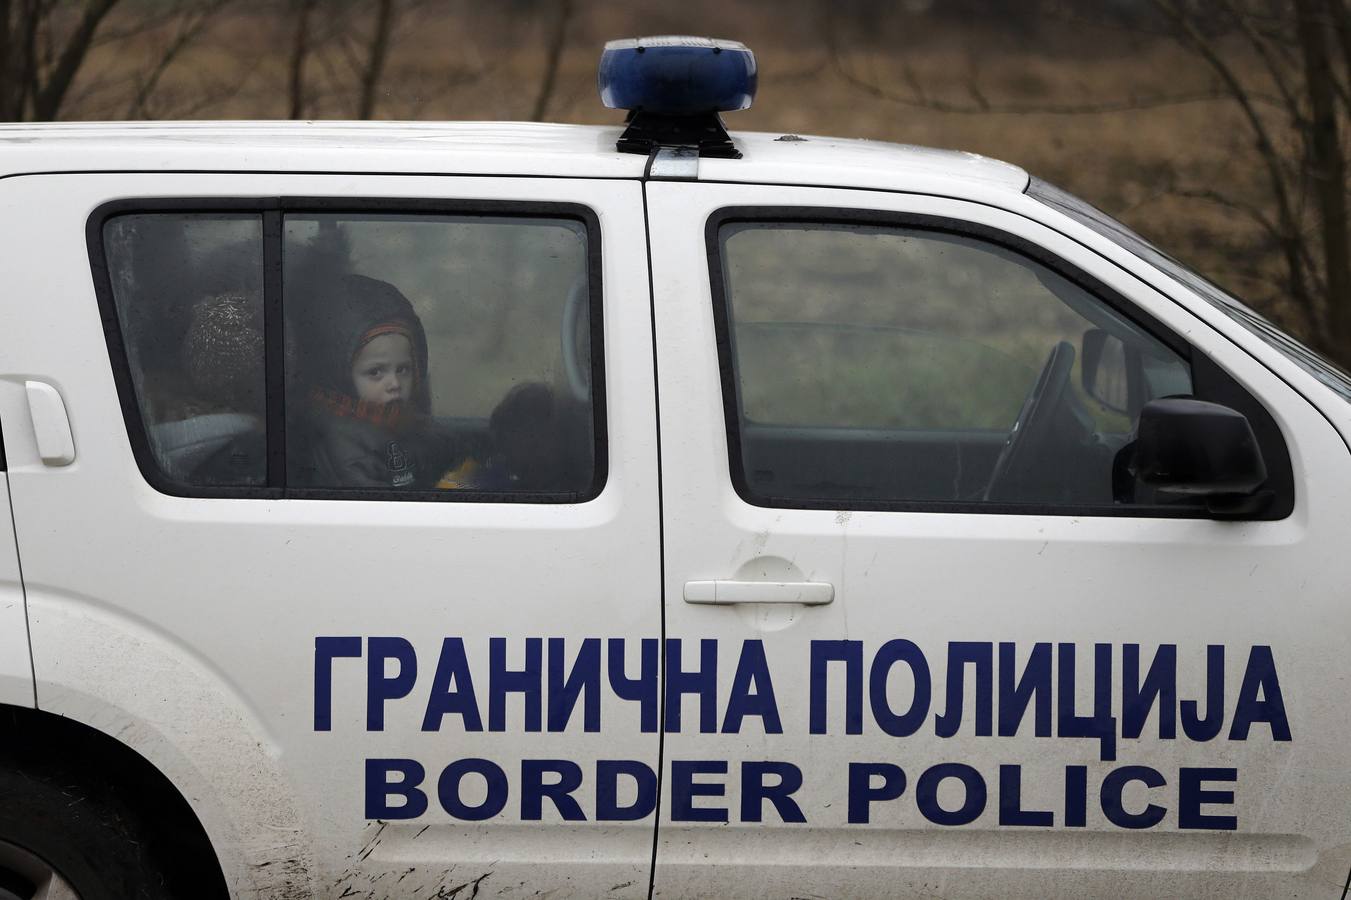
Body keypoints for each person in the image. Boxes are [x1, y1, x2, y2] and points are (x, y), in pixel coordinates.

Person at [290, 274, 456, 489]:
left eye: (403, 369)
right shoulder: (344, 444)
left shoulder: (404, 422)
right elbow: (378, 511)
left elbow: (438, 459)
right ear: (341, 377)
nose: (395, 383)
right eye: (376, 372)